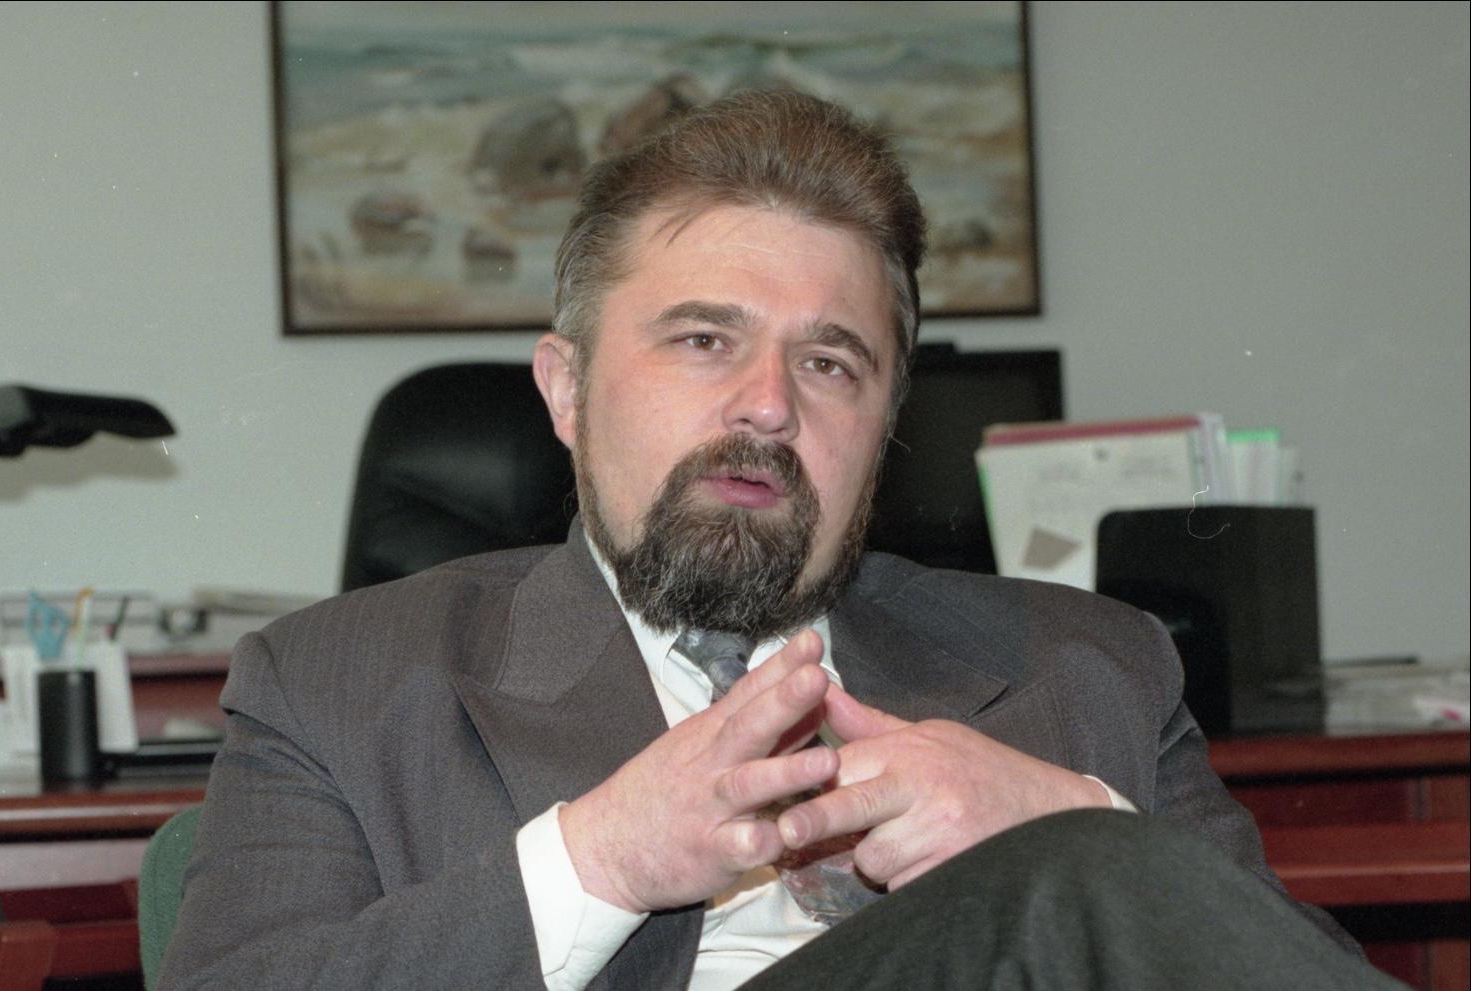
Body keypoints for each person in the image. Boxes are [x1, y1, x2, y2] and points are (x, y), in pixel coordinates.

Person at [159, 91, 1396, 990]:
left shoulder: (1093, 670)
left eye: (829, 362)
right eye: (703, 340)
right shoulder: (337, 682)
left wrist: (1074, 816)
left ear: (883, 428)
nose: (766, 404)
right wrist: (601, 860)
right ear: (567, 390)